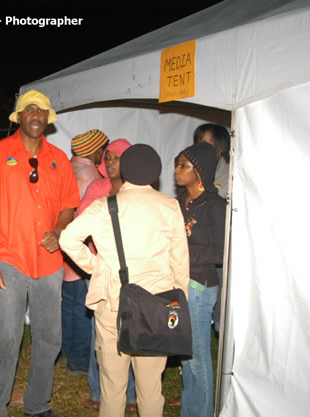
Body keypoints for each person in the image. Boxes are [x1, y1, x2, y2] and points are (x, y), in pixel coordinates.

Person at [0, 89, 80, 417]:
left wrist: (58, 232)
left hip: (48, 263)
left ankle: (37, 404)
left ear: (48, 119)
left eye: (41, 110)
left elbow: (68, 206)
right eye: (28, 109)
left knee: (50, 337)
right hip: (8, 258)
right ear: (18, 117)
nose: (34, 114)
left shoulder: (60, 159)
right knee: (7, 336)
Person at [60, 144, 190, 417]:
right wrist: (179, 304)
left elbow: (67, 239)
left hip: (113, 304)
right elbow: (180, 262)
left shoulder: (103, 207)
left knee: (112, 387)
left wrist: (96, 267)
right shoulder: (170, 206)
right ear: (157, 173)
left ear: (126, 170)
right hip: (157, 306)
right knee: (152, 389)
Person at [78, 139, 138, 412]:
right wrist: (93, 262)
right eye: (109, 158)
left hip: (135, 271)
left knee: (134, 329)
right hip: (104, 270)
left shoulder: (140, 189)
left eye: (119, 157)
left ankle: (132, 392)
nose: (112, 162)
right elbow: (80, 223)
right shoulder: (98, 187)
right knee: (101, 335)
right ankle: (97, 387)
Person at [173, 142, 226, 417]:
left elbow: (220, 251)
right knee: (185, 356)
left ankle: (204, 412)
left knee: (198, 357)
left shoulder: (215, 205)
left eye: (184, 165)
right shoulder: (179, 202)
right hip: (179, 284)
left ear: (200, 171)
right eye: (177, 163)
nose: (177, 170)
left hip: (199, 287)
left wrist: (182, 251)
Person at [61, 128, 109, 377]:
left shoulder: (63, 168)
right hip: (82, 250)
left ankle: (66, 350)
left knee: (68, 304)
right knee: (82, 307)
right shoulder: (92, 175)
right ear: (94, 150)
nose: (104, 155)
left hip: (61, 249)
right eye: (102, 150)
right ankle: (79, 360)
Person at [193, 124, 230, 333]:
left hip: (221, 249)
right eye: (198, 144)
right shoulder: (194, 172)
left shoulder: (232, 177)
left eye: (206, 144)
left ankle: (222, 332)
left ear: (220, 148)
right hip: (199, 249)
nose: (200, 149)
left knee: (222, 295)